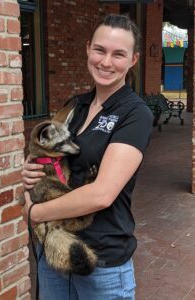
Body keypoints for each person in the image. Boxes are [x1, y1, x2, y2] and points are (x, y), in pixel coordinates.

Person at [22, 14, 153, 300]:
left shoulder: (135, 113)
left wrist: (34, 213)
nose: (106, 62)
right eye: (100, 50)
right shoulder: (75, 105)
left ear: (133, 60)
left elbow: (102, 194)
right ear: (87, 49)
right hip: (55, 253)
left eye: (118, 54)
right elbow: (48, 154)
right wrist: (33, 169)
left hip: (102, 261)